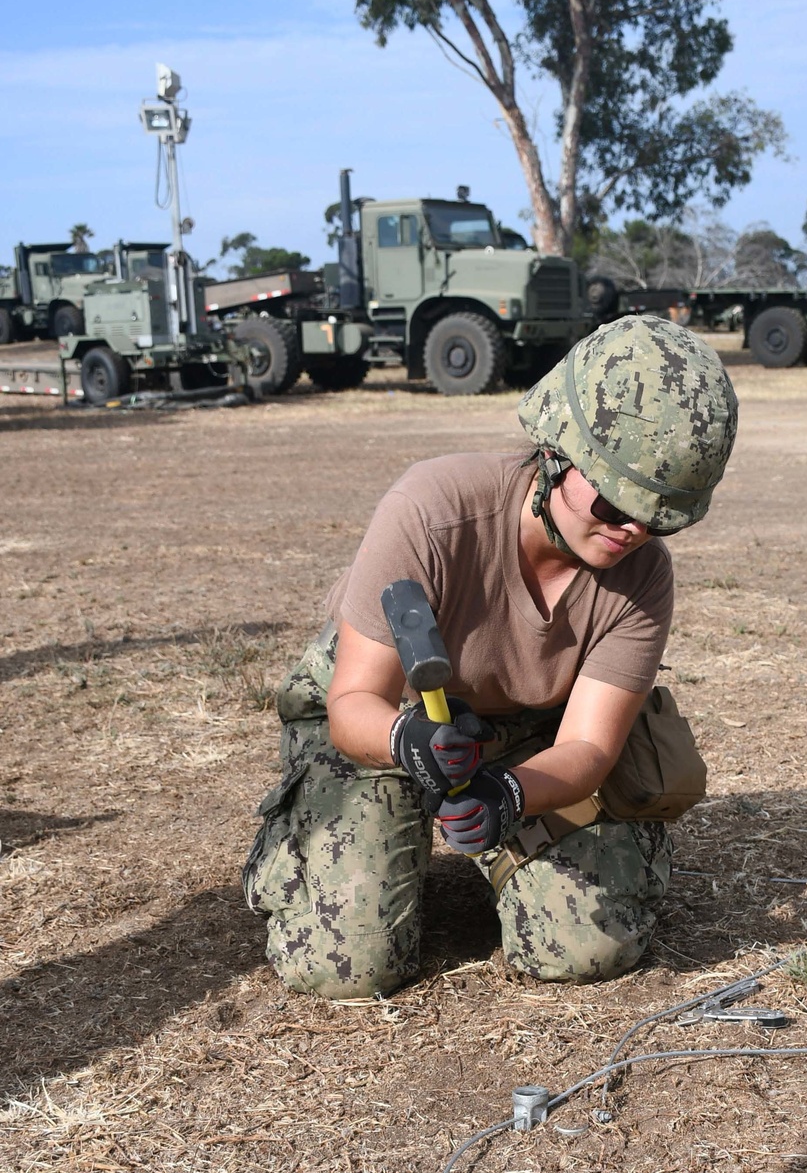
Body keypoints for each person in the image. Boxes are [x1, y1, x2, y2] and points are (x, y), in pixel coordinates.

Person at [242, 315, 738, 999]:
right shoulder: (432, 509)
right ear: (559, 454)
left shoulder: (644, 575)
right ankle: (311, 846)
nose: (633, 531)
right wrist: (408, 739)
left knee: (588, 948)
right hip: (390, 718)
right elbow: (353, 703)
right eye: (617, 502)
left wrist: (508, 794)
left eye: (660, 518)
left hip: (526, 730)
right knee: (345, 970)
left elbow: (590, 746)